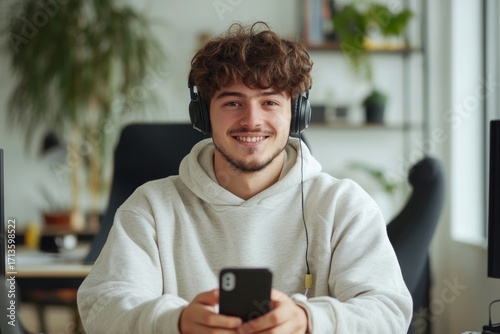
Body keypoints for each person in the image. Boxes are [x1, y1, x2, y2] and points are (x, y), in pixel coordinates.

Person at [77, 21, 412, 333]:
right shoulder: (151, 207)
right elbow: (101, 306)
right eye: (233, 102)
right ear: (203, 115)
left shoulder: (343, 205)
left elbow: (388, 311)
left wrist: (310, 321)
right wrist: (174, 321)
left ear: (296, 114)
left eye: (269, 102)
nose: (252, 120)